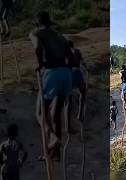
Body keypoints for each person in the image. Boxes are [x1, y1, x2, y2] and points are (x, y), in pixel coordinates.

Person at [29, 11, 75, 161]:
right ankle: (55, 154)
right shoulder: (60, 36)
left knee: (40, 113)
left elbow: (37, 48)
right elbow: (73, 59)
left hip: (52, 73)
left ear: (37, 23)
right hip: (66, 74)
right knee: (56, 114)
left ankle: (53, 137)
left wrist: (40, 64)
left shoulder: (36, 33)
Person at [68, 40, 87, 123]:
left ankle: (68, 116)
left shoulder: (66, 52)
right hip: (77, 72)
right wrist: (86, 68)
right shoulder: (78, 52)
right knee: (82, 92)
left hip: (69, 73)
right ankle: (79, 114)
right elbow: (83, 62)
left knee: (68, 97)